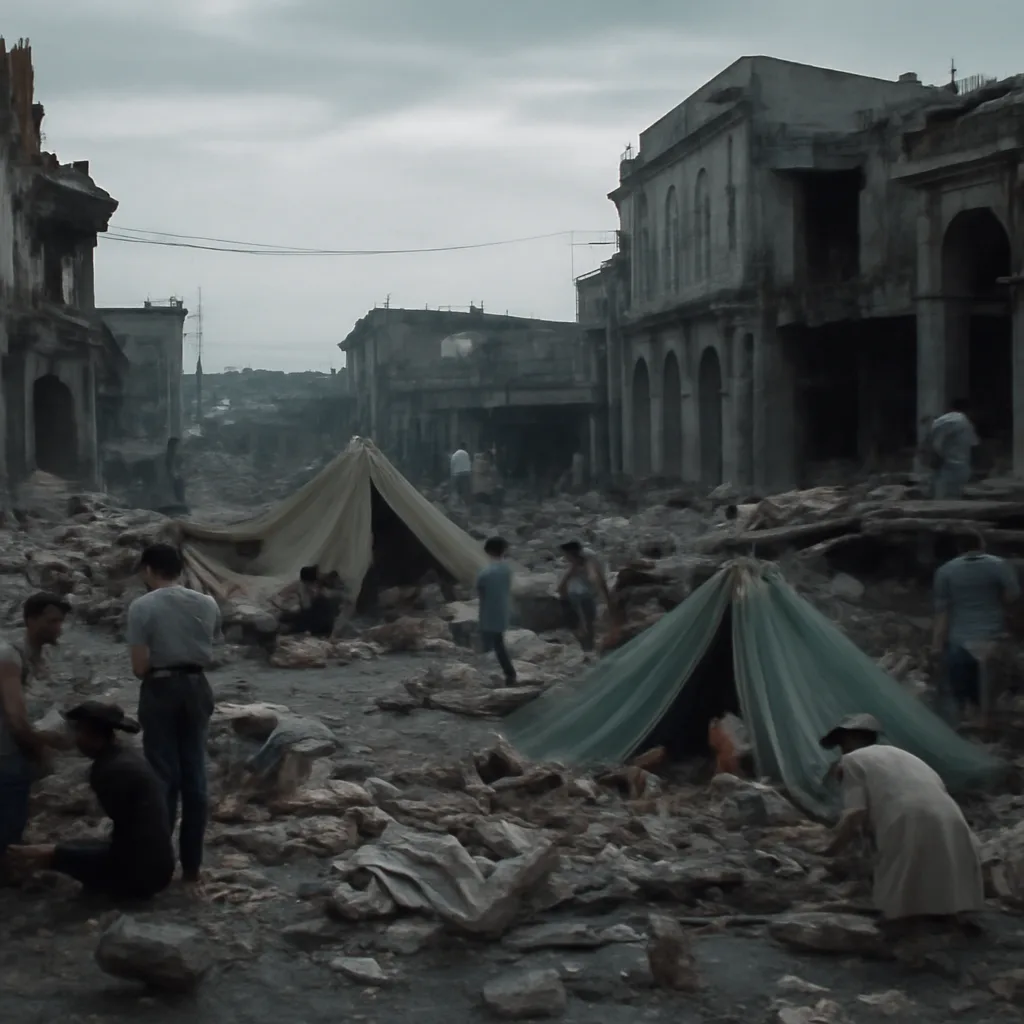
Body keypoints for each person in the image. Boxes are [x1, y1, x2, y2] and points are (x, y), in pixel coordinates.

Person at [821, 713, 984, 936]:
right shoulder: (906, 756)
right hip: (950, 815)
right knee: (944, 871)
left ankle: (903, 931)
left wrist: (829, 850)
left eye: (841, 743)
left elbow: (855, 814)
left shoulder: (851, 760)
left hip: (905, 816)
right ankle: (950, 918)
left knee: (897, 891)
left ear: (848, 739)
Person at [7, 702, 175, 901]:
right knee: (71, 846)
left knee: (51, 855)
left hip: (141, 874)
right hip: (160, 866)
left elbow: (127, 843)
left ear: (91, 735)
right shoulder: (125, 756)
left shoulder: (108, 770)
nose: (75, 739)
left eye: (79, 732)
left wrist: (56, 854)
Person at [126, 543, 220, 886]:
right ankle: (192, 868)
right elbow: (211, 648)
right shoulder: (207, 602)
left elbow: (139, 667)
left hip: (161, 689)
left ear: (149, 569)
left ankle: (158, 862)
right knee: (196, 777)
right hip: (197, 687)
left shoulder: (142, 606)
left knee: (164, 777)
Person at [0, 593, 71, 857]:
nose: (58, 627)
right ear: (30, 620)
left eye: (60, 621)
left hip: (18, 752)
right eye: (51, 621)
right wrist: (38, 750)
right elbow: (16, 719)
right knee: (8, 826)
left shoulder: (39, 656)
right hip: (7, 754)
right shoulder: (10, 656)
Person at [933, 533, 1019, 726]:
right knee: (993, 682)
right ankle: (987, 720)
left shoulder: (945, 571)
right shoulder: (999, 565)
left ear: (959, 548)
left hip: (960, 640)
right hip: (992, 636)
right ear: (981, 545)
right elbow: (1012, 596)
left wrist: (936, 645)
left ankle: (967, 715)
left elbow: (942, 612)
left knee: (962, 685)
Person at [558, 541, 611, 653]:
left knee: (587, 624)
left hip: (583, 596)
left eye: (566, 555)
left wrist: (607, 598)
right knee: (583, 625)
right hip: (576, 596)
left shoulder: (588, 559)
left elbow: (597, 577)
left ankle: (588, 648)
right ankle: (587, 647)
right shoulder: (574, 565)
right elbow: (562, 587)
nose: (565, 557)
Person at [477, 536, 516, 685]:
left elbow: (481, 593)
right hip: (503, 609)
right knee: (498, 641)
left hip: (488, 611)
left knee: (495, 644)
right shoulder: (507, 569)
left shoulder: (484, 573)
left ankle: (509, 673)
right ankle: (507, 672)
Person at [928, 398, 979, 499]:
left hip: (943, 466)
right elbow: (974, 445)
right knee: (951, 498)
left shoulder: (940, 421)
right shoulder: (965, 422)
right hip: (959, 466)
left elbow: (934, 444)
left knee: (940, 498)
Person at [275, 565, 336, 638]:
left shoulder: (319, 591)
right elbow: (279, 598)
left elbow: (308, 607)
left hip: (313, 619)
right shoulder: (301, 586)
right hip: (305, 615)